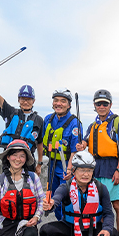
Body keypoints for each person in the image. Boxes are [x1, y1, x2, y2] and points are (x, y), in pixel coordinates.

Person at [39, 151, 116, 236]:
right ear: (74, 171)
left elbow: (108, 213)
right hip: (70, 227)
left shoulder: (101, 188)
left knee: (113, 233)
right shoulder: (65, 187)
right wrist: (50, 204)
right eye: (82, 170)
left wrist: (107, 229)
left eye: (89, 170)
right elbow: (56, 199)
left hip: (93, 228)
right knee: (45, 230)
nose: (86, 174)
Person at [79, 89, 119, 225]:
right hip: (96, 167)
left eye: (105, 104)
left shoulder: (117, 123)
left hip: (111, 166)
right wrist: (81, 145)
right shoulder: (92, 125)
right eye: (98, 104)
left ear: (110, 105)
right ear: (94, 106)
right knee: (97, 203)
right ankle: (100, 234)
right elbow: (85, 141)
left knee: (116, 204)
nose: (101, 107)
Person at [0, 69, 43, 161]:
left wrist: (40, 163)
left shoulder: (39, 120)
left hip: (28, 159)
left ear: (33, 101)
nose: (25, 102)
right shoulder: (10, 112)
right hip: (9, 157)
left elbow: (39, 142)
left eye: (28, 99)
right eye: (22, 99)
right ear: (18, 100)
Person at [40, 87, 83, 215]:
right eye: (56, 100)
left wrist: (69, 170)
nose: (59, 103)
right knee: (52, 197)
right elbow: (42, 142)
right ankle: (59, 223)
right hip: (52, 165)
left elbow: (75, 150)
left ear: (69, 105)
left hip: (66, 166)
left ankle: (69, 226)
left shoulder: (75, 123)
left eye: (63, 101)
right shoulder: (48, 119)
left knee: (66, 198)